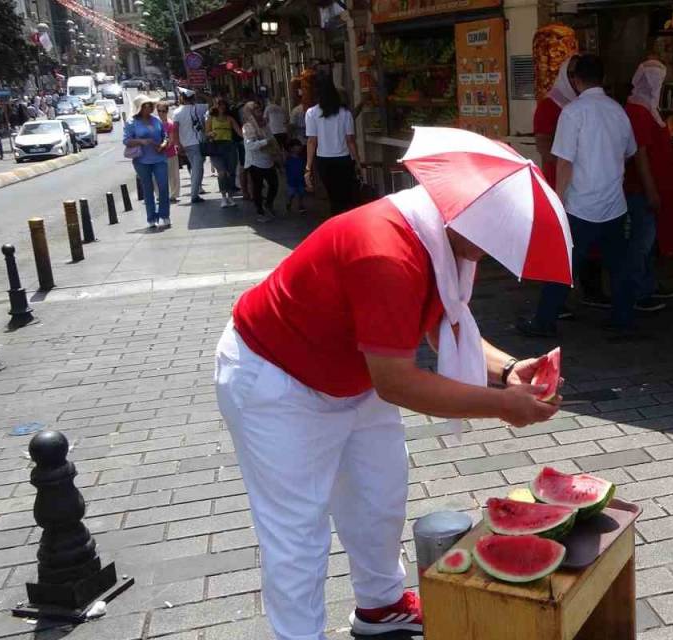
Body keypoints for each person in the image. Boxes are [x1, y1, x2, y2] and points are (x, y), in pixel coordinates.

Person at [214, 180, 564, 639]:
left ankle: (380, 607)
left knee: (379, 497)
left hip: (353, 372)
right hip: (277, 379)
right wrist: (501, 406)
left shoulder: (445, 241)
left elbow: (444, 322)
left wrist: (509, 370)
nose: (494, 250)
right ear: (461, 210)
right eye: (494, 235)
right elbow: (397, 382)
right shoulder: (387, 250)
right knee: (297, 534)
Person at [516, 54, 638, 338]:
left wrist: (557, 200)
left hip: (581, 203)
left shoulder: (573, 112)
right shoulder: (618, 111)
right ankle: (623, 318)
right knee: (619, 266)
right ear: (602, 78)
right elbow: (630, 151)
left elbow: (564, 161)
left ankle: (544, 321)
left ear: (575, 80)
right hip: (614, 203)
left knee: (563, 265)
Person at [624, 58, 673, 310]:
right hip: (642, 188)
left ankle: (647, 285)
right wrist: (650, 190)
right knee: (642, 241)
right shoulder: (638, 111)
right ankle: (636, 293)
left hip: (657, 185)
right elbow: (640, 154)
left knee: (649, 241)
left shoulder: (647, 108)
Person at [305, 75, 360, 214]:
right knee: (345, 195)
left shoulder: (311, 113)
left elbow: (312, 141)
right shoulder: (345, 113)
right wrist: (358, 161)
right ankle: (345, 222)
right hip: (344, 159)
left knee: (332, 195)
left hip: (324, 160)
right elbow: (350, 140)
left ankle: (336, 221)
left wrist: (308, 166)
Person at [123, 95, 172, 230]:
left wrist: (163, 144)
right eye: (146, 106)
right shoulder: (132, 122)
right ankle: (151, 218)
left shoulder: (156, 120)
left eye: (150, 105)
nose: (149, 108)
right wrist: (141, 141)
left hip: (159, 158)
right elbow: (126, 141)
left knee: (163, 187)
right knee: (148, 188)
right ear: (140, 108)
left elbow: (165, 136)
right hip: (142, 160)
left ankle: (165, 215)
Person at [534, 55, 577, 189]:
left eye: (580, 74)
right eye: (572, 74)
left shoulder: (589, 103)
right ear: (564, 75)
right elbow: (543, 145)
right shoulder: (549, 105)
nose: (575, 79)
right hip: (559, 180)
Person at [242, 102, 280, 222]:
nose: (259, 112)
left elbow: (271, 137)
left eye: (259, 109)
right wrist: (265, 142)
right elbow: (250, 146)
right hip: (255, 162)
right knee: (257, 188)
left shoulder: (264, 124)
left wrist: (276, 149)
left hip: (268, 159)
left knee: (274, 184)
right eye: (256, 110)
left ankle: (268, 204)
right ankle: (260, 212)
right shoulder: (248, 127)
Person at [172, 94, 209, 203]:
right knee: (197, 169)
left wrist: (178, 144)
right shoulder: (200, 108)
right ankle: (194, 195)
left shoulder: (177, 112)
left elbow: (175, 130)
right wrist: (202, 93)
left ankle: (196, 190)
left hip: (186, 144)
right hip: (198, 143)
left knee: (197, 167)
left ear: (182, 98)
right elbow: (213, 103)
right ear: (194, 98)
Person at [207, 96, 243, 209]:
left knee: (231, 172)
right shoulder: (211, 119)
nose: (221, 107)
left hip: (229, 147)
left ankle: (230, 196)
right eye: (219, 105)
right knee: (222, 172)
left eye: (223, 105)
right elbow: (206, 133)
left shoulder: (230, 119)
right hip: (216, 147)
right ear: (215, 106)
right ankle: (223, 197)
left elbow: (239, 132)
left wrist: (248, 136)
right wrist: (210, 134)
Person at [157, 102, 181, 203]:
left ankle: (173, 195)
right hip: (157, 154)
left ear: (167, 111)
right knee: (159, 176)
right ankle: (160, 195)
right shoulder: (155, 123)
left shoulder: (170, 124)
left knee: (173, 175)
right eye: (159, 111)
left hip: (169, 153)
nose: (161, 113)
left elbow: (171, 140)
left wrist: (163, 148)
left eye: (164, 111)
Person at [284, 138, 308, 215]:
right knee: (291, 193)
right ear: (291, 148)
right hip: (291, 180)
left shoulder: (302, 159)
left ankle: (300, 205)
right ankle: (289, 202)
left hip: (300, 179)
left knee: (301, 193)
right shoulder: (287, 159)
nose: (298, 149)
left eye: (299, 147)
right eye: (296, 147)